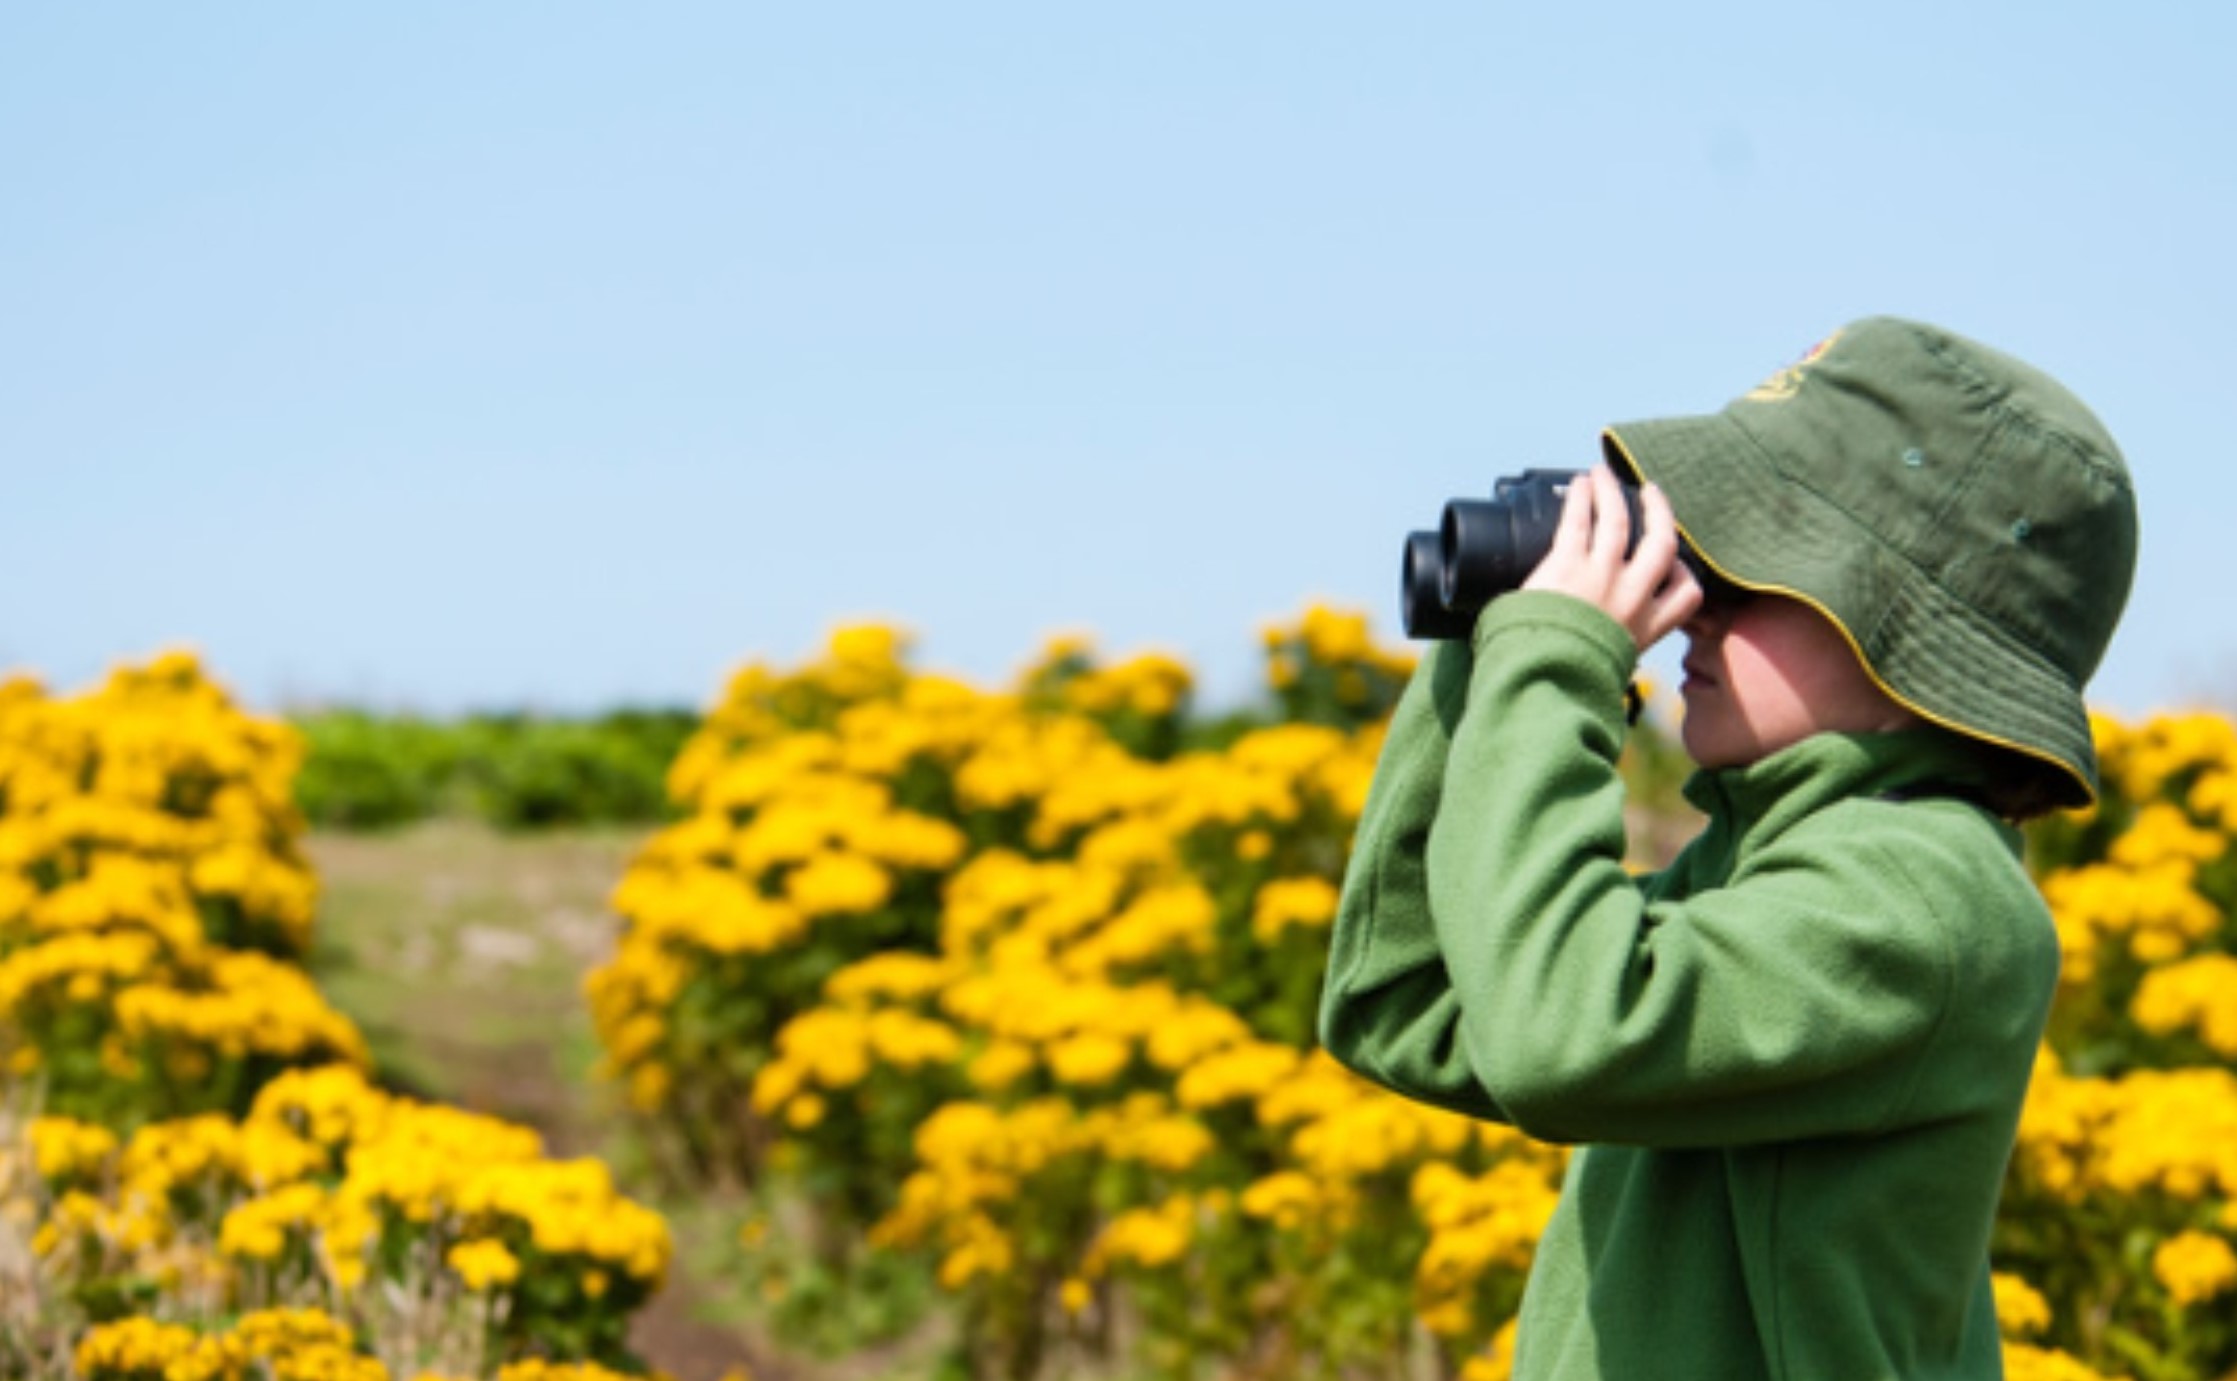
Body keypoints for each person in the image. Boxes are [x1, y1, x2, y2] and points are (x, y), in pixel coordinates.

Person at [1318, 316, 2139, 1380]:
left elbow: (1560, 1040)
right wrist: (1494, 649)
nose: (1694, 607)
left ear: (1912, 639)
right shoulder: (1768, 865)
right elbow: (1403, 996)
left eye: (1749, 572)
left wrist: (1556, 666)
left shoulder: (1928, 899)